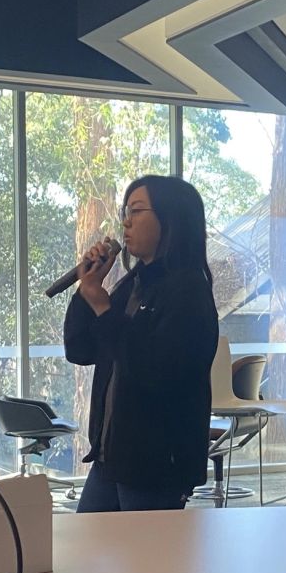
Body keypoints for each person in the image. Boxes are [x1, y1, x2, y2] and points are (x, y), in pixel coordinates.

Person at [64, 175, 219, 511]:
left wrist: (103, 307)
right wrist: (87, 291)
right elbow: (80, 349)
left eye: (136, 211)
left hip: (156, 464)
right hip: (111, 458)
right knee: (88, 543)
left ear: (169, 218)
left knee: (144, 549)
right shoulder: (133, 284)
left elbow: (153, 369)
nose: (126, 222)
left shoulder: (188, 291)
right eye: (125, 212)